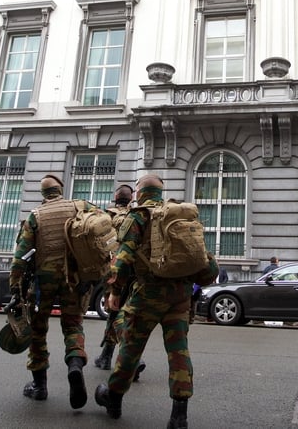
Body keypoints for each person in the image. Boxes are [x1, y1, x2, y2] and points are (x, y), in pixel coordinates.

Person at [94, 174, 195, 428]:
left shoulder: (138, 215)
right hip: (180, 295)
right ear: (161, 193)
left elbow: (123, 256)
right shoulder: (177, 213)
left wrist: (115, 291)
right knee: (179, 351)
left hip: (148, 293)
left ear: (139, 193)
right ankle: (179, 415)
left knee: (130, 345)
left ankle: (113, 398)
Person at [7, 174, 96, 409]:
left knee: (37, 329)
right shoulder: (80, 206)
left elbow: (20, 258)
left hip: (42, 281)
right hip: (73, 279)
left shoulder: (35, 216)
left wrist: (15, 289)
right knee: (73, 325)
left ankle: (40, 386)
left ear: (43, 194)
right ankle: (75, 365)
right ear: (60, 189)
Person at [93, 185, 146, 382]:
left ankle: (133, 358)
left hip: (113, 271)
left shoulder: (107, 216)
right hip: (135, 274)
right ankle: (106, 356)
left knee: (116, 314)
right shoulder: (137, 215)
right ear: (131, 198)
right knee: (122, 314)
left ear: (115, 197)